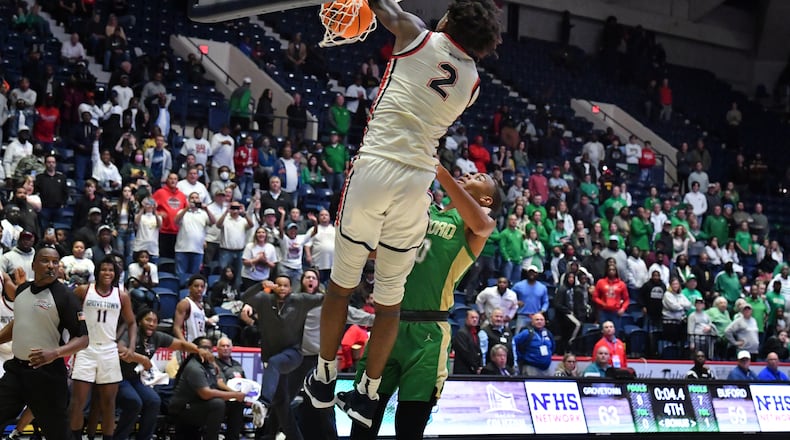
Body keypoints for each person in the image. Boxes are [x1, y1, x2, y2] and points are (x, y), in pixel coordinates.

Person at [303, 0, 501, 425]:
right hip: (418, 182)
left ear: (448, 20)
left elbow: (379, 5)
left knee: (342, 285)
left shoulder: (417, 34)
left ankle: (322, 379)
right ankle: (366, 395)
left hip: (376, 166)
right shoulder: (473, 83)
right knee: (389, 303)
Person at [350, 166, 497, 438]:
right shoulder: (424, 210)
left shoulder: (475, 223)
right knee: (362, 424)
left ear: (486, 200)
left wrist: (440, 172)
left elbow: (483, 225)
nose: (469, 175)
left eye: (479, 178)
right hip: (388, 324)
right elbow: (379, 249)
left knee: (409, 429)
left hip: (428, 332)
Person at [241, 275, 324, 437]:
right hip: (271, 354)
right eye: (279, 285)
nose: (282, 288)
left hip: (293, 354)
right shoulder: (264, 300)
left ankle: (263, 402)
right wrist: (260, 285)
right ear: (273, 287)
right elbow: (245, 297)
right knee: (281, 403)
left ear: (291, 288)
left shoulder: (300, 300)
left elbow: (324, 298)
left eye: (286, 285)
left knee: (274, 363)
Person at [115, 308, 212, 440]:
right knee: (134, 402)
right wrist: (142, 359)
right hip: (119, 377)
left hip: (136, 379)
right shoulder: (133, 333)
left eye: (155, 321)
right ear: (139, 322)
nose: (151, 324)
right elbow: (121, 350)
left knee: (154, 401)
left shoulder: (158, 337)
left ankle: (144, 437)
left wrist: (198, 350)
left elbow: (181, 345)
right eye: (148, 320)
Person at [68, 257, 137, 440]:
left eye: (111, 270)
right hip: (85, 349)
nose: (107, 273)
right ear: (97, 272)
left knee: (109, 404)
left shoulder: (121, 295)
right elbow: (67, 313)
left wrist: (130, 347)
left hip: (108, 350)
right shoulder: (83, 291)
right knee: (78, 403)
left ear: (115, 274)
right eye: (104, 269)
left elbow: (131, 323)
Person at [168, 336, 248, 439]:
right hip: (184, 409)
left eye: (209, 348)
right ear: (195, 349)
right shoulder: (194, 367)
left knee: (236, 403)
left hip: (199, 403)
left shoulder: (209, 363)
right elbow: (206, 394)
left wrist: (236, 394)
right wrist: (234, 394)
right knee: (217, 404)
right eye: (204, 347)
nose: (207, 351)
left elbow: (219, 382)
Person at [451, 309, 483, 375]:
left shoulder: (475, 334)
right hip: (463, 370)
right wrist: (475, 367)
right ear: (466, 319)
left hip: (473, 370)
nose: (474, 319)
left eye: (476, 318)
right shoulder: (461, 333)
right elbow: (465, 353)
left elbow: (478, 351)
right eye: (472, 317)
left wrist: (480, 366)